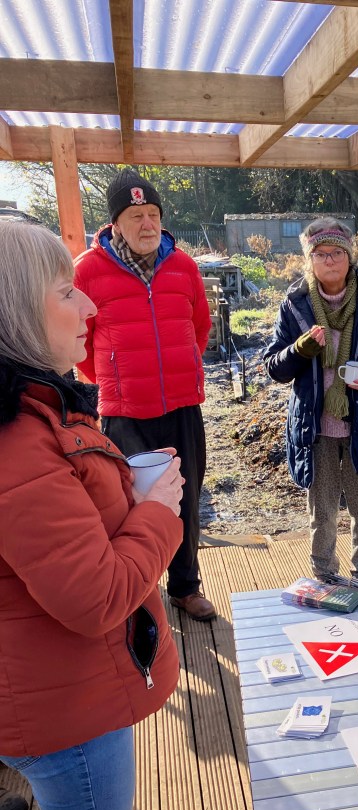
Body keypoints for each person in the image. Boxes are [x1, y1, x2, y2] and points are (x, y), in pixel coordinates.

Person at [0, 221, 205, 810]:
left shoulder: (31, 412)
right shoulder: (19, 444)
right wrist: (158, 512)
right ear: (17, 312)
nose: (87, 305)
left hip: (51, 695)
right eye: (65, 291)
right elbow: (93, 597)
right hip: (66, 708)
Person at [74, 168, 216, 621]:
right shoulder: (87, 270)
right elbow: (80, 343)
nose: (147, 223)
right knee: (127, 504)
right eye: (136, 216)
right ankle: (138, 593)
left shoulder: (184, 266)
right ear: (116, 223)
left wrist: (181, 368)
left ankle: (185, 587)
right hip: (124, 411)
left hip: (182, 405)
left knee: (185, 497)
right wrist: (113, 379)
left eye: (153, 213)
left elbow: (200, 327)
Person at [264, 217, 358, 580]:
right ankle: (325, 576)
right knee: (322, 509)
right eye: (321, 254)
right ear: (309, 260)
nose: (329, 260)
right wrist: (299, 351)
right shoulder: (295, 304)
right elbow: (274, 367)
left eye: (337, 252)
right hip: (316, 426)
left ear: (349, 257)